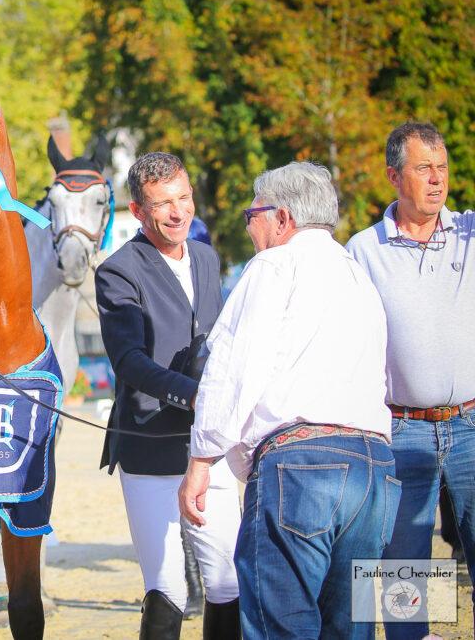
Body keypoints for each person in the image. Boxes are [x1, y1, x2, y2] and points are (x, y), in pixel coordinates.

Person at [179, 161, 396, 638]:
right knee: (352, 629)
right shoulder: (359, 278)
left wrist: (201, 460)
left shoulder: (275, 264)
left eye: (251, 215)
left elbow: (235, 367)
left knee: (283, 626)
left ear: (282, 219)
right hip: (374, 469)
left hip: (302, 466)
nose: (250, 227)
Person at [96, 151, 241, 639]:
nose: (178, 213)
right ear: (138, 211)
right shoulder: (118, 271)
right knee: (168, 587)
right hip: (149, 444)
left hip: (208, 444)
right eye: (162, 204)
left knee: (226, 580)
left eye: (183, 198)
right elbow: (129, 362)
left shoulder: (206, 256)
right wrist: (196, 394)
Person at [346, 122, 475, 639]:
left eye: (442, 168)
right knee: (406, 580)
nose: (437, 179)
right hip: (399, 431)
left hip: (471, 425)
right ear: (393, 176)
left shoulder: (469, 235)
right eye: (424, 169)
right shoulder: (362, 250)